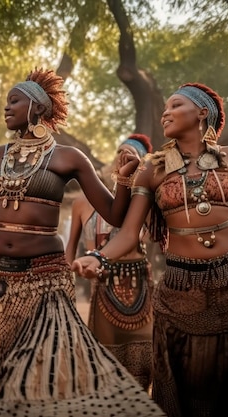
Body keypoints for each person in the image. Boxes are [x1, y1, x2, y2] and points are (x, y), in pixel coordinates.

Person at [0, 68, 164, 416]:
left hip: (44, 278)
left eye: (15, 101)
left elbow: (116, 216)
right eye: (6, 102)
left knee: (43, 366)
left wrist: (123, 179)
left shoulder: (68, 157)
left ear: (38, 108)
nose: (6, 108)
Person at [73, 83, 228, 416]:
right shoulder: (153, 169)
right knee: (195, 384)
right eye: (164, 109)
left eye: (175, 106)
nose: (165, 112)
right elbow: (129, 232)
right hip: (182, 287)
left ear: (202, 112)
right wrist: (98, 256)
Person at [66, 133, 155, 391]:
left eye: (131, 156)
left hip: (140, 281)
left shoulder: (145, 201)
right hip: (102, 283)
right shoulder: (83, 203)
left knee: (144, 356)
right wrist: (65, 280)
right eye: (121, 152)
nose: (123, 158)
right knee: (106, 359)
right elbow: (70, 249)